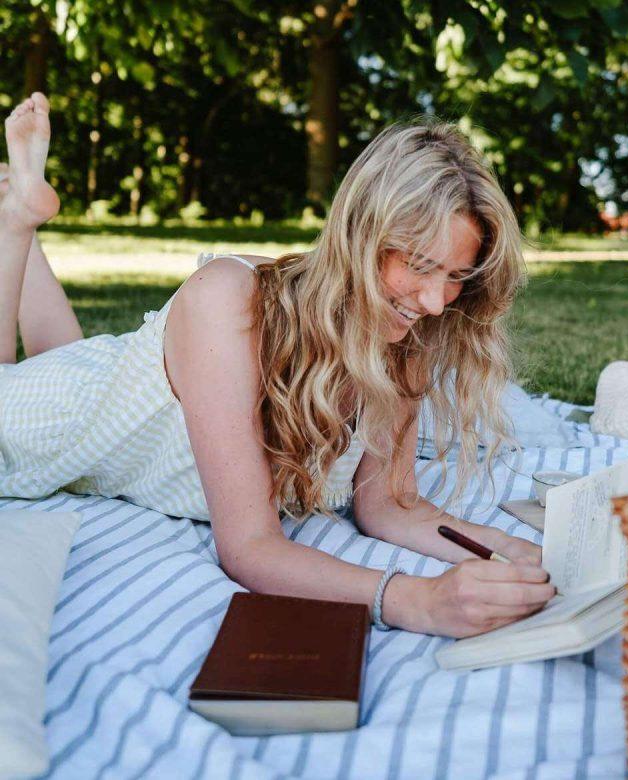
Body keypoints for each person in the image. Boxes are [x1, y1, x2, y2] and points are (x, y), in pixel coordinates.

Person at [0, 93, 554, 638]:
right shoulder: (230, 299)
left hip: (110, 411)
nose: (436, 301)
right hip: (54, 415)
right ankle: (16, 221)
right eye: (420, 265)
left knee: (72, 367)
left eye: (456, 275)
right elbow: (248, 547)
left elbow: (387, 504)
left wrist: (519, 550)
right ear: (359, 234)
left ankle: (22, 223)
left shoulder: (405, 332)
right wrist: (418, 600)